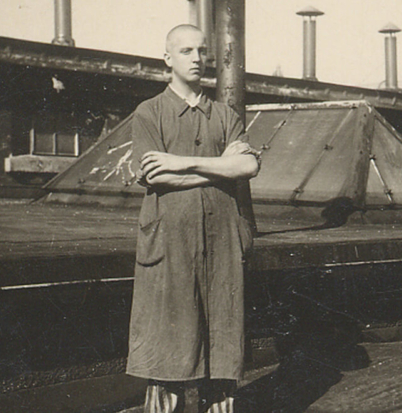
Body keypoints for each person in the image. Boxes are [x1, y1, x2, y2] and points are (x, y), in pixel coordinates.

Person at [126, 24, 261, 413]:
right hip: (170, 244)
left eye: (202, 51)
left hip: (221, 242)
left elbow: (249, 165)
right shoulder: (149, 112)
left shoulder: (223, 114)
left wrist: (182, 161)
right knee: (169, 346)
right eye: (186, 51)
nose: (198, 59)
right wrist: (224, 166)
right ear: (168, 58)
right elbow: (155, 174)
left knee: (222, 344)